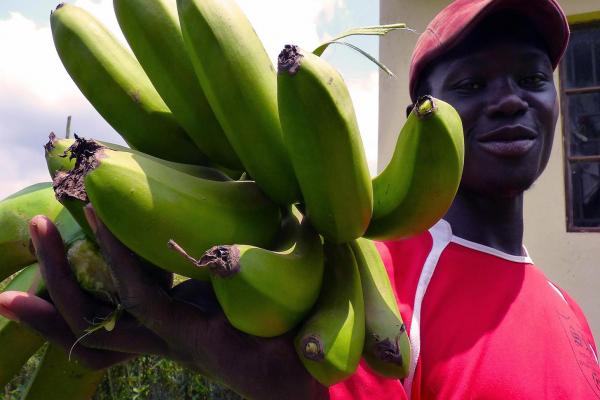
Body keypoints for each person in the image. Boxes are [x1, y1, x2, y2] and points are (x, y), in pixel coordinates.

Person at [1, 0, 598, 398]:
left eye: (531, 77)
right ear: (421, 113)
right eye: (470, 84)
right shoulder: (373, 283)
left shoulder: (571, 314)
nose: (509, 100)